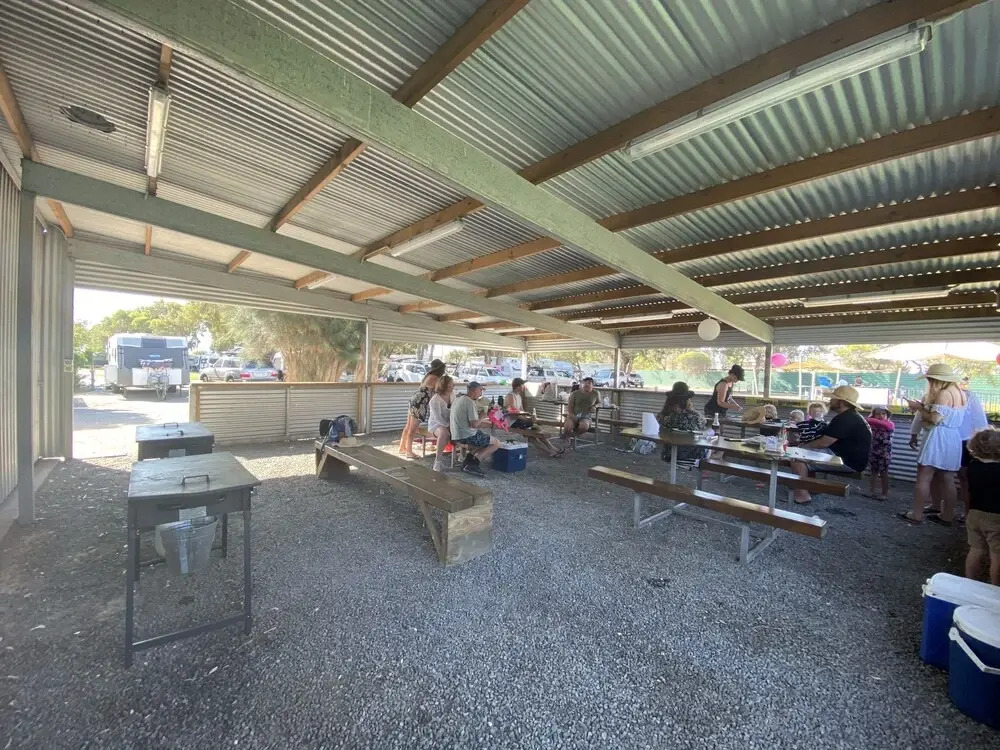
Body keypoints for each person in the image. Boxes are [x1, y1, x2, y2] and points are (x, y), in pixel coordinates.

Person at [900, 364, 968, 525]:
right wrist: (925, 407)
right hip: (953, 436)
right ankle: (947, 515)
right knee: (948, 477)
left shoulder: (943, 393)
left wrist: (918, 408)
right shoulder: (960, 393)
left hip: (938, 436)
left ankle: (916, 514)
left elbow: (935, 419)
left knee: (924, 476)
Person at [788, 386, 872, 505]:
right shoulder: (852, 416)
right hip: (850, 458)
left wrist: (802, 447)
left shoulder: (845, 418)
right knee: (806, 453)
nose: (830, 401)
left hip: (848, 462)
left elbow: (823, 443)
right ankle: (811, 487)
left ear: (841, 402)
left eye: (833, 399)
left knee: (797, 457)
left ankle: (802, 495)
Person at [964, 428, 1000, 585]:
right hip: (996, 517)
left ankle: (969, 581)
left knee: (976, 549)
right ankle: (995, 587)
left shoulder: (974, 467)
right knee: (996, 554)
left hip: (974, 514)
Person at [450, 381, 500, 476]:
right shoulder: (470, 402)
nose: (481, 393)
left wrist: (481, 415)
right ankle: (474, 464)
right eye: (480, 390)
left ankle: (467, 462)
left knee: (483, 440)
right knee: (496, 443)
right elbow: (474, 424)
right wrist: (483, 415)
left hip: (456, 433)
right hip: (466, 435)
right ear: (474, 390)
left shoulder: (458, 399)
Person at [504, 378, 563, 458]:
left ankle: (552, 449)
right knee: (534, 430)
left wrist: (529, 417)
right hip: (512, 422)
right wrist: (527, 419)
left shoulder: (519, 396)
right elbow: (513, 413)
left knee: (535, 432)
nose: (524, 387)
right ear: (518, 386)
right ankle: (550, 451)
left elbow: (522, 411)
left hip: (519, 420)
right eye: (523, 385)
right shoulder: (511, 396)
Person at [398, 360, 445, 459]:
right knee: (412, 429)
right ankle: (409, 452)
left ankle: (402, 447)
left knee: (408, 426)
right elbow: (439, 391)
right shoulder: (435, 378)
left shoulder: (428, 375)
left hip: (415, 400)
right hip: (420, 403)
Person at [958, 376, 989, 515]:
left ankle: (969, 512)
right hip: (955, 439)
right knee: (959, 476)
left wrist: (980, 442)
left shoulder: (970, 397)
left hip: (968, 440)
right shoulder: (947, 395)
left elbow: (980, 421)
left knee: (966, 477)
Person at [657, 384, 707, 465]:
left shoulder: (663, 417)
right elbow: (704, 423)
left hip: (669, 454)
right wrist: (690, 410)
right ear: (687, 401)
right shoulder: (695, 417)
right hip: (693, 455)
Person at [865, 407, 894, 501]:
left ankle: (884, 493)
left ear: (887, 415)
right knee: (873, 472)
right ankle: (871, 491)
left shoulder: (890, 424)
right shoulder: (872, 425)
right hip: (873, 451)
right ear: (874, 415)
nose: (881, 416)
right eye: (878, 414)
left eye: (883, 414)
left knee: (884, 473)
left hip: (884, 452)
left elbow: (869, 420)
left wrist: (870, 419)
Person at [427, 375, 454, 472]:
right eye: (451, 384)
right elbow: (437, 418)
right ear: (444, 385)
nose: (453, 386)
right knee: (444, 433)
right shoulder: (435, 399)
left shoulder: (453, 395)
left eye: (453, 384)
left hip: (450, 422)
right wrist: (448, 426)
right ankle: (437, 461)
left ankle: (463, 456)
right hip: (436, 424)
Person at [562, 377, 599, 445]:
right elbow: (570, 406)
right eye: (585, 383)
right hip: (573, 414)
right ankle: (567, 439)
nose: (586, 384)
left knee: (584, 427)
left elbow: (599, 403)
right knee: (568, 426)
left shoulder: (596, 393)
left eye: (589, 383)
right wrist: (572, 415)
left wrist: (595, 406)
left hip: (586, 417)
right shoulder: (575, 393)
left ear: (592, 385)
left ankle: (571, 436)